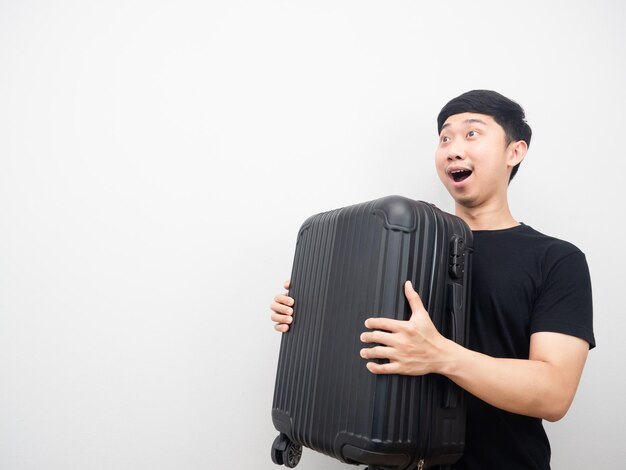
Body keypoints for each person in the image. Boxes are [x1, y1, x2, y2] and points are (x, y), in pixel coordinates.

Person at [269, 90, 595, 469]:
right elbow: (368, 341)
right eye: (445, 138)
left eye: (472, 134)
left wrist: (440, 356)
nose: (454, 149)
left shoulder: (557, 260)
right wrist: (308, 314)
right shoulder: (402, 243)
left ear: (514, 152)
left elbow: (553, 395)